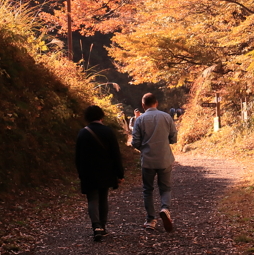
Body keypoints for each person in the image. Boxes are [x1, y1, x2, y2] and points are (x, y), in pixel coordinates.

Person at [75, 105, 124, 242]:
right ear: (101, 116)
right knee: (103, 198)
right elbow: (116, 154)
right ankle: (102, 226)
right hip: (106, 172)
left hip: (88, 172)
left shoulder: (82, 133)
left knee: (92, 199)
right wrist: (120, 173)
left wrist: (80, 173)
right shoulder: (108, 132)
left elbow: (78, 157)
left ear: (87, 118)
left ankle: (96, 227)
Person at [131, 92, 178, 232]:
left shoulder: (139, 120)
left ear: (143, 105)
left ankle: (151, 220)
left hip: (147, 160)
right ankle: (165, 208)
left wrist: (144, 148)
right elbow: (174, 139)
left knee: (148, 190)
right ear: (156, 103)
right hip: (164, 158)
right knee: (165, 188)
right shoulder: (166, 117)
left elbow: (135, 142)